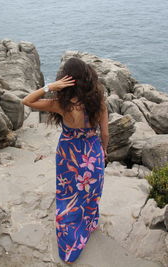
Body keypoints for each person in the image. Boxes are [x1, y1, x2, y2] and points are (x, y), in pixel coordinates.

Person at [22, 57, 109, 263]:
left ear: (66, 80)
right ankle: (87, 225)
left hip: (68, 155)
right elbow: (105, 134)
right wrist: (103, 151)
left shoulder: (61, 106)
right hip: (92, 155)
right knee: (89, 194)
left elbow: (27, 101)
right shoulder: (99, 103)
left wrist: (49, 87)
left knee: (68, 194)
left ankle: (70, 241)